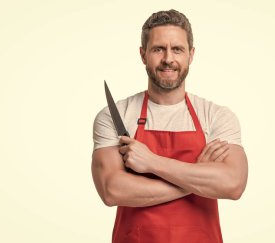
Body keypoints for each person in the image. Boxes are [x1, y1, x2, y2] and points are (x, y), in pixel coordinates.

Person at [91, 9, 248, 243]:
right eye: (158, 49)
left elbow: (233, 184)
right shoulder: (116, 116)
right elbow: (112, 190)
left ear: (191, 55)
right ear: (143, 55)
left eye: (177, 49)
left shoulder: (215, 116)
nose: (168, 59)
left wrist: (151, 162)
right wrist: (195, 179)